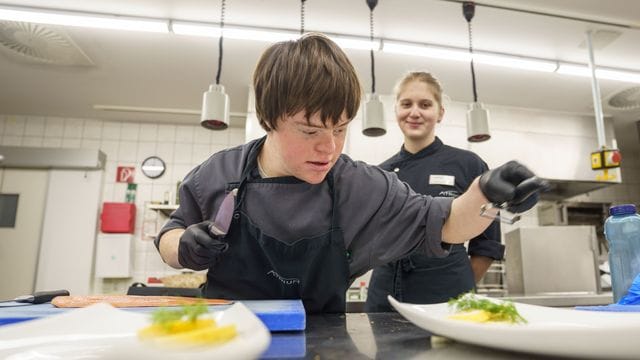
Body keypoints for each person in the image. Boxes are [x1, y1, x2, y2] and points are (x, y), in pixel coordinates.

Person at [155, 33, 545, 313]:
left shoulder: (361, 186)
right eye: (309, 131)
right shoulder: (220, 172)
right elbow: (169, 236)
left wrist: (487, 193)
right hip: (224, 336)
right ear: (268, 119)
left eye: (340, 128)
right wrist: (183, 245)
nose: (329, 148)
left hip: (324, 342)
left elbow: (446, 224)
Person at [365, 72, 503, 312]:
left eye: (425, 104)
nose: (415, 112)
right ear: (396, 111)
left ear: (440, 113)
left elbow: (488, 241)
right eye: (406, 104)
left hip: (447, 289)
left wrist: (459, 281)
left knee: (450, 351)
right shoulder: (381, 173)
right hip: (386, 291)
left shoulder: (468, 164)